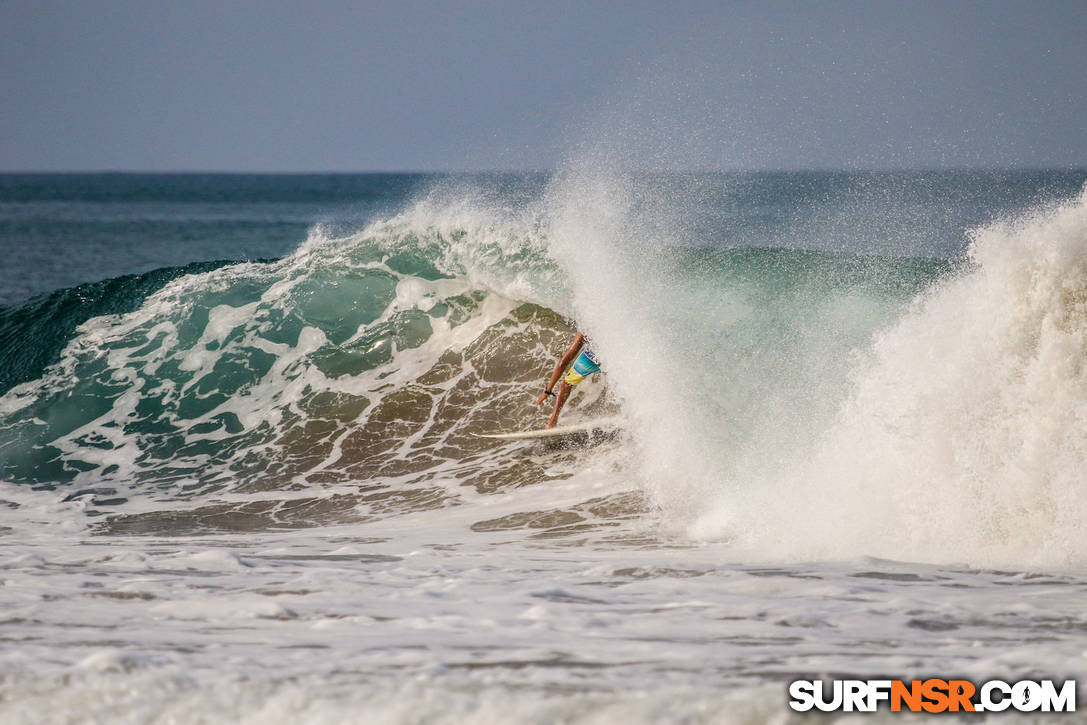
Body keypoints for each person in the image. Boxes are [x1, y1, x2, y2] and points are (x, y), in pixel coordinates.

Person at [534, 332, 601, 429]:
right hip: (613, 357)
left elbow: (563, 362)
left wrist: (547, 391)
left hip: (592, 357)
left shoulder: (586, 330)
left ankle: (552, 422)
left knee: (566, 384)